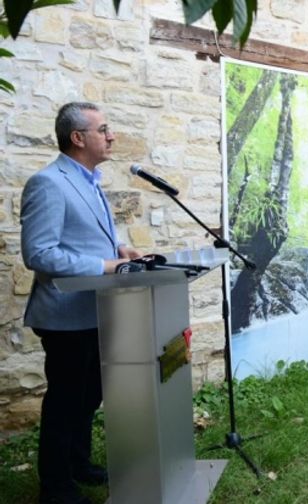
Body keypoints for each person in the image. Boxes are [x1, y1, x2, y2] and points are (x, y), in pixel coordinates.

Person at [21, 102, 141, 504]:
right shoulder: (48, 183)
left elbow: (84, 237)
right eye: (103, 129)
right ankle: (54, 488)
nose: (111, 136)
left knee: (90, 395)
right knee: (66, 400)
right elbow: (38, 253)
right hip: (64, 315)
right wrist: (105, 266)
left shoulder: (91, 180)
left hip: (96, 311)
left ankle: (78, 463)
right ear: (78, 138)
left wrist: (120, 248)